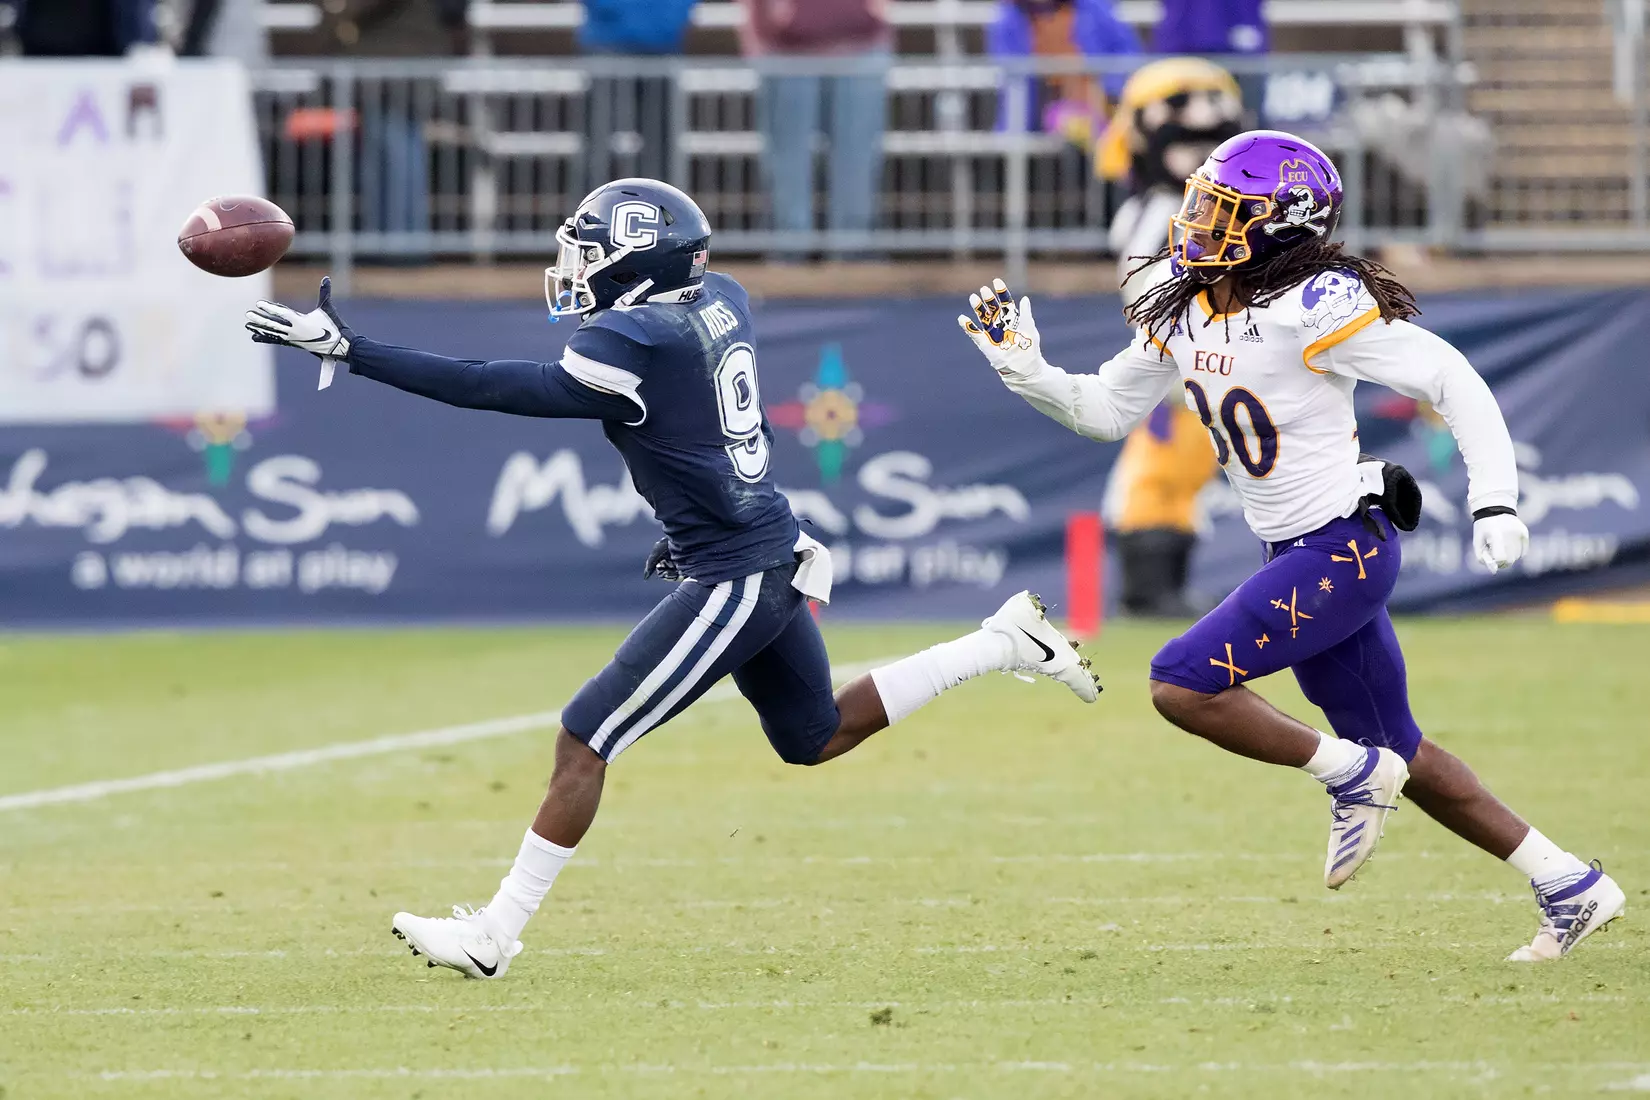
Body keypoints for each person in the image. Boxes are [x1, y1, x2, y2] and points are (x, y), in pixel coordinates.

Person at [244, 178, 1101, 979]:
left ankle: (494, 935)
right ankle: (1001, 642)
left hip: (738, 572)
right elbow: (694, 430)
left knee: (586, 736)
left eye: (588, 249)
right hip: (761, 544)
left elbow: (492, 387)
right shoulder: (719, 298)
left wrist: (355, 348)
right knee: (813, 734)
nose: (573, 266)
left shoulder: (632, 339)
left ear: (636, 260)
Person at [957, 132, 1625, 962]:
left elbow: (1452, 378)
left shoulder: (1312, 305)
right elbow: (1104, 412)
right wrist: (1026, 369)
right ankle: (1569, 883)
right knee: (1400, 752)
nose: (1197, 220)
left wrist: (1495, 501)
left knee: (1180, 683)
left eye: (1222, 209)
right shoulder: (1185, 300)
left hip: (1343, 547)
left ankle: (1346, 775)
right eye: (1201, 200)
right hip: (1294, 552)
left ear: (1281, 224)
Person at [738, 0, 891, 257]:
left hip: (859, 46)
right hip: (787, 49)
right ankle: (791, 251)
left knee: (856, 158)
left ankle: (852, 251)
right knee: (788, 158)